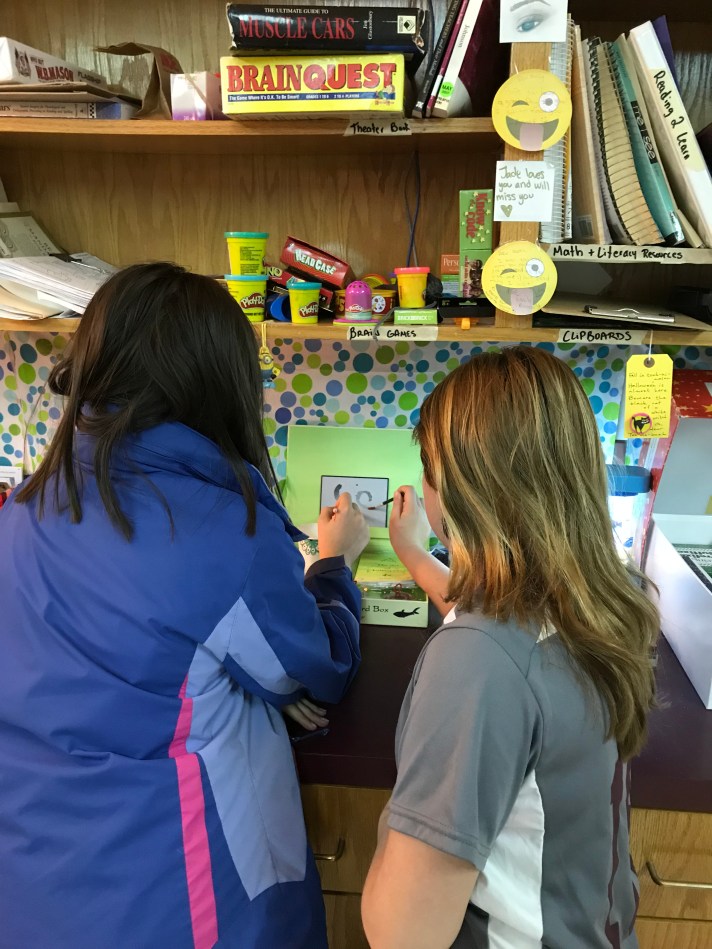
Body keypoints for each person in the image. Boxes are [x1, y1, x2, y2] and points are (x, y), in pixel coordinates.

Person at [0, 262, 369, 949]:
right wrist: (333, 563)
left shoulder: (23, 507)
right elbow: (318, 668)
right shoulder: (226, 532)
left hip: (34, 884)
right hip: (170, 893)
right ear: (221, 382)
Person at [362, 347, 659, 949]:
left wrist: (397, 823)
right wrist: (414, 554)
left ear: (456, 490)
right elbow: (501, 624)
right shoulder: (599, 600)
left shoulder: (475, 663)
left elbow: (403, 933)